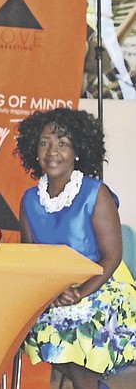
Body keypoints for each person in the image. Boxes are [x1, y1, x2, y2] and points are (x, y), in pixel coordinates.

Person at [14, 108, 136, 389]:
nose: (52, 151)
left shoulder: (95, 193)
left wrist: (80, 292)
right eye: (44, 143)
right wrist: (54, 291)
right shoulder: (30, 200)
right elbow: (32, 258)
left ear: (77, 150)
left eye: (62, 143)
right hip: (55, 292)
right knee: (36, 329)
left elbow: (112, 256)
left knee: (77, 341)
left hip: (102, 287)